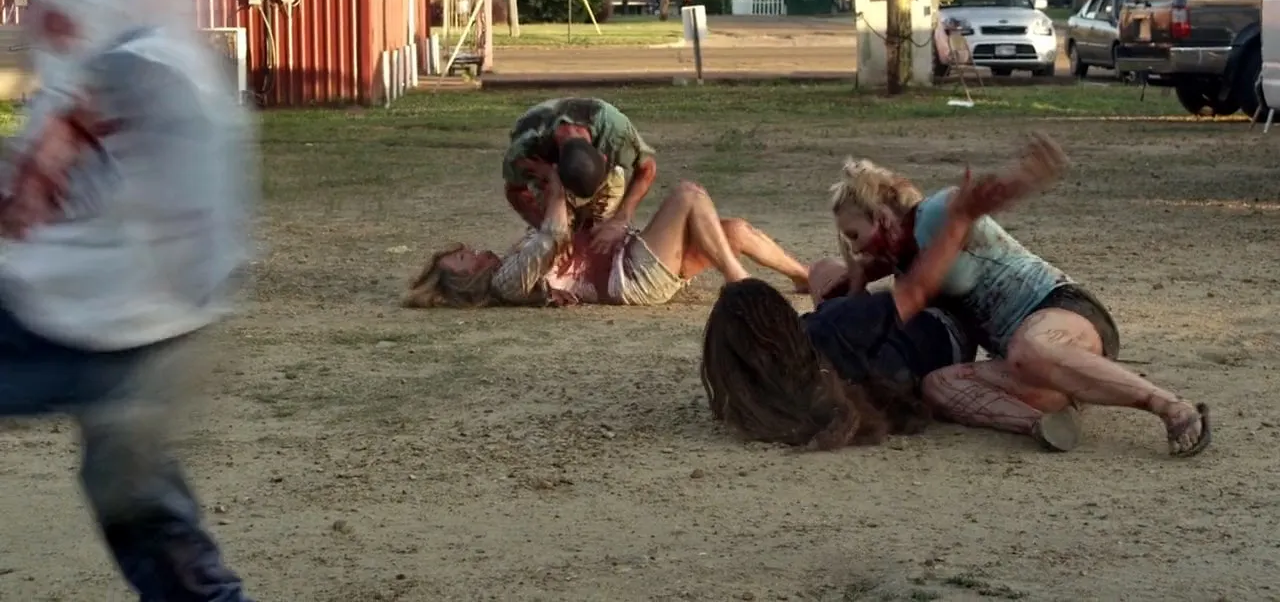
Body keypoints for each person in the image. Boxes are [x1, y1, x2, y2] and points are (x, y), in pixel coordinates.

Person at [0, 0, 255, 600]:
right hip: (69, 302)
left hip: (121, 328)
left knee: (136, 504)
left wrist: (176, 334)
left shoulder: (155, 69)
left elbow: (204, 204)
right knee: (136, 505)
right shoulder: (84, 64)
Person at [828, 139, 1211, 458]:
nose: (856, 248)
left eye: (854, 235)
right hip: (1025, 359)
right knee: (937, 386)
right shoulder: (903, 261)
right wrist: (856, 277)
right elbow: (855, 306)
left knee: (1030, 349)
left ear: (880, 214)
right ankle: (1043, 423)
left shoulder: (935, 213)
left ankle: (1170, 406)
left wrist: (1023, 177)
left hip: (1062, 311)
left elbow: (978, 199)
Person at [701, 134, 1082, 451]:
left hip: (891, 369)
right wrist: (963, 218)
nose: (855, 248)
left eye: (854, 236)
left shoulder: (770, 388)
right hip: (943, 335)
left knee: (824, 273)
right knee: (834, 285)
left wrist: (855, 279)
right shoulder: (833, 324)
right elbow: (915, 292)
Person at [405, 174, 809, 308]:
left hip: (632, 258)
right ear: (465, 282)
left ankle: (803, 276)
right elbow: (553, 235)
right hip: (630, 274)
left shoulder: (511, 262)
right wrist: (558, 183)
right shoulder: (505, 282)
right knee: (688, 195)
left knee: (732, 231)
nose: (474, 251)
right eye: (464, 259)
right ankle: (739, 283)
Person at [503, 98, 658, 252]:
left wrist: (620, 219)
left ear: (604, 157)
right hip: (550, 182)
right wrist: (546, 228)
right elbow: (514, 191)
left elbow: (647, 168)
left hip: (601, 177)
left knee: (606, 240)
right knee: (557, 242)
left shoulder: (614, 129)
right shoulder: (526, 147)